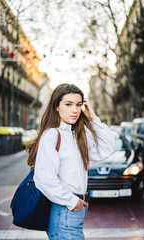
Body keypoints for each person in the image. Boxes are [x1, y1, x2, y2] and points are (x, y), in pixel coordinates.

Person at [27, 83, 114, 240]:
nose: (75, 110)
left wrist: (93, 117)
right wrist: (73, 202)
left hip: (74, 209)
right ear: (56, 107)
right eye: (68, 104)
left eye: (78, 105)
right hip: (65, 210)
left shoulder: (75, 136)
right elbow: (44, 179)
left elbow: (106, 149)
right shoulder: (52, 135)